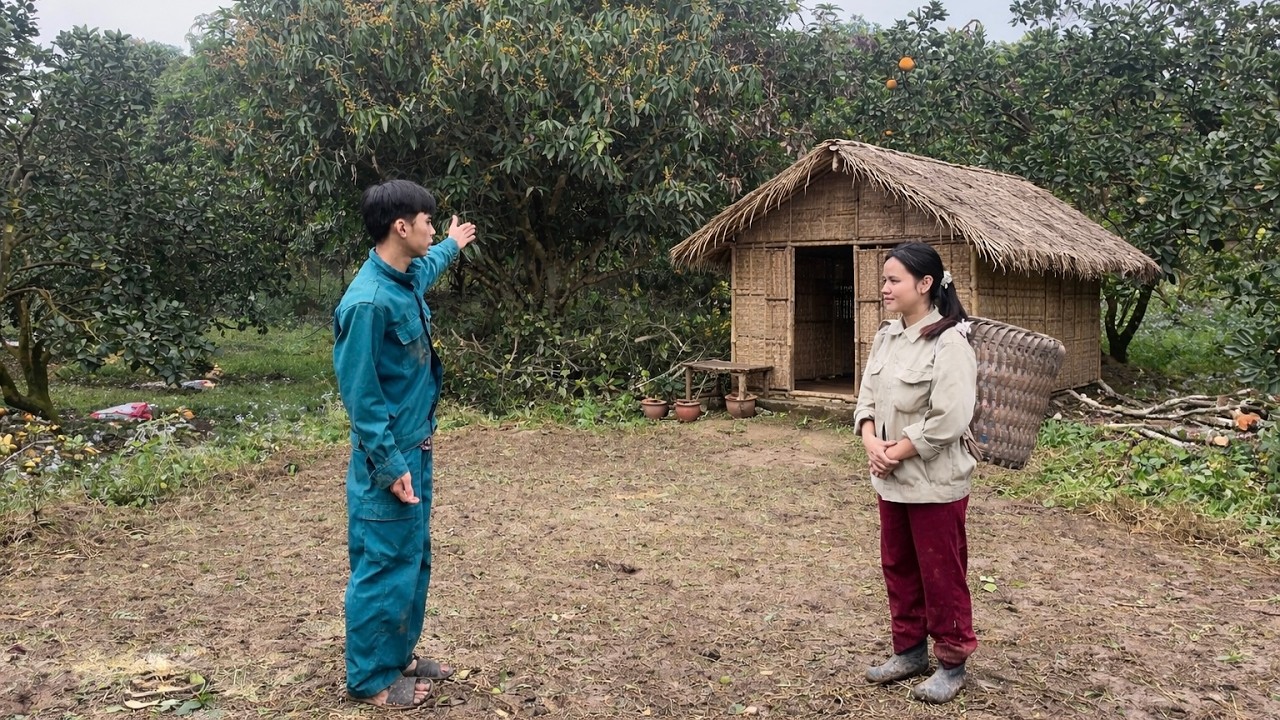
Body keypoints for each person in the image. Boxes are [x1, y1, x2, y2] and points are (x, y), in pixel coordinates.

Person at [332, 179, 476, 710]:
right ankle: (370, 678)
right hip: (387, 459)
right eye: (428, 222)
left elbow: (430, 264)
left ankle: (398, 653)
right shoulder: (367, 303)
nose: (432, 229)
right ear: (401, 227)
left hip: (418, 448)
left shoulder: (403, 276)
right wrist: (390, 464)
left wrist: (454, 243)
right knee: (383, 563)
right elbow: (361, 396)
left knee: (411, 559)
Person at [853, 241, 978, 704]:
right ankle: (909, 651)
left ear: (925, 285)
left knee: (940, 572)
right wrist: (870, 440)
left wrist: (896, 451)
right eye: (884, 279)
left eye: (894, 280)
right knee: (899, 566)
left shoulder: (950, 341)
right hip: (891, 478)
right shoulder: (886, 336)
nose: (885, 288)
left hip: (935, 482)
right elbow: (866, 399)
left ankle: (952, 661)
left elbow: (950, 417)